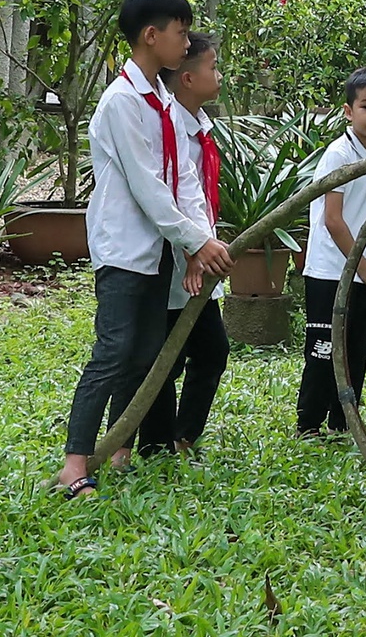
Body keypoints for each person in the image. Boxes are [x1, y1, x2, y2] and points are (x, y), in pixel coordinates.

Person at [55, 0, 227, 498]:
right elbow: (147, 184)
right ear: (151, 37)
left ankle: (121, 446)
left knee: (147, 354)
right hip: (125, 249)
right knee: (113, 350)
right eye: (180, 32)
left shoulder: (162, 105)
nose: (186, 41)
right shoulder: (124, 102)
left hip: (156, 251)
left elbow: (182, 181)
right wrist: (196, 242)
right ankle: (73, 464)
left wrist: (197, 242)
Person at [140, 31, 232, 454]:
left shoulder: (196, 124)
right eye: (213, 67)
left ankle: (180, 436)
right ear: (188, 79)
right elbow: (174, 192)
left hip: (196, 256)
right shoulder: (170, 124)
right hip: (175, 258)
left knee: (208, 350)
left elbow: (196, 194)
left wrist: (203, 244)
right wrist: (194, 248)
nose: (219, 75)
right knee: (171, 356)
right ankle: (156, 442)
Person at [298, 68, 366, 436]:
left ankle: (344, 421)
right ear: (348, 111)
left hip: (365, 270)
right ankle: (309, 423)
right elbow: (333, 221)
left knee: (357, 347)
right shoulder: (338, 155)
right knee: (324, 348)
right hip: (330, 270)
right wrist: (365, 266)